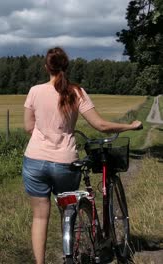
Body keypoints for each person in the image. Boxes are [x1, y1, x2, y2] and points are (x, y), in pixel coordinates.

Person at [22, 47, 142, 264]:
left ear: (46, 67)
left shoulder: (34, 91)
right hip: (64, 164)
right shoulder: (76, 92)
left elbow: (28, 127)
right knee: (67, 210)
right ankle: (71, 250)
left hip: (35, 161)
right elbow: (101, 125)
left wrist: (45, 135)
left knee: (40, 217)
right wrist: (130, 126)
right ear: (66, 66)